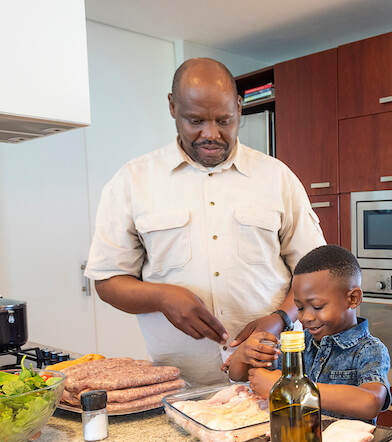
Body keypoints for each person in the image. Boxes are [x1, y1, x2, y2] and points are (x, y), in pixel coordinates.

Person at [85, 58, 325, 386]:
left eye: (224, 121)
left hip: (276, 377)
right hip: (181, 382)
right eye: (195, 120)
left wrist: (281, 318)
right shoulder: (132, 181)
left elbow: (315, 274)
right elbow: (107, 280)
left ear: (239, 108)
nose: (211, 134)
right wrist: (161, 297)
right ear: (172, 107)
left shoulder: (277, 178)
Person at [229, 245, 391, 422]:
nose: (305, 317)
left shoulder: (369, 350)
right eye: (299, 308)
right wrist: (244, 353)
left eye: (317, 307)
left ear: (352, 299)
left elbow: (370, 402)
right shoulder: (299, 344)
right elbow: (240, 375)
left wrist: (293, 390)